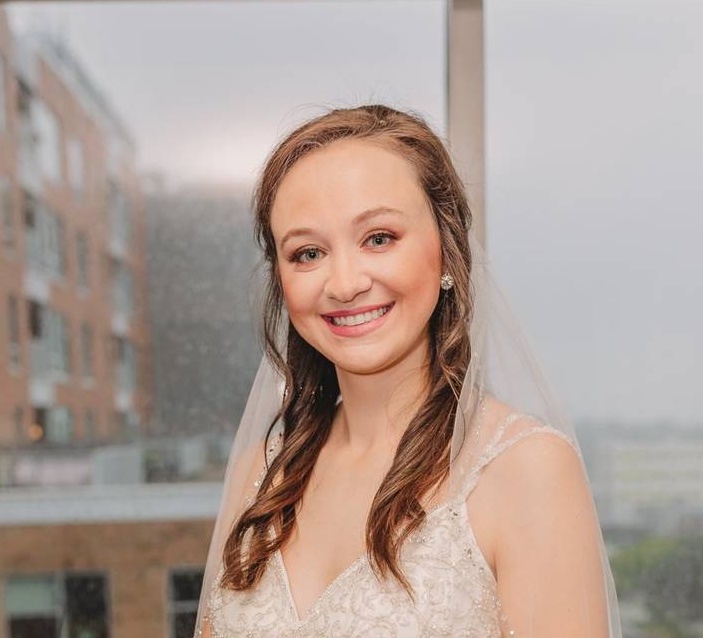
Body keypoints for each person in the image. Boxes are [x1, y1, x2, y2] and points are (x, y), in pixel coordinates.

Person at [195, 104, 622, 637]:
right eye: (307, 253)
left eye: (379, 238)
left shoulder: (526, 469)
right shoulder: (260, 476)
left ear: (446, 252)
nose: (344, 283)